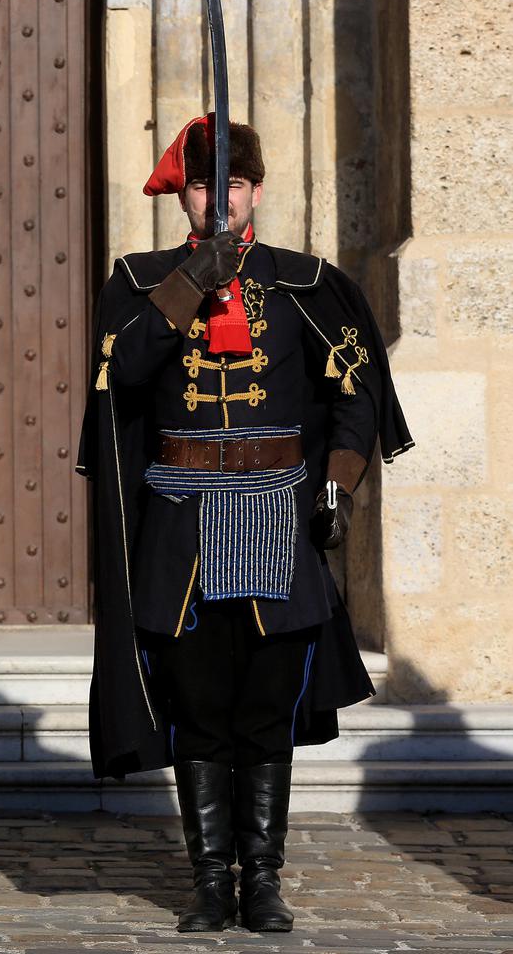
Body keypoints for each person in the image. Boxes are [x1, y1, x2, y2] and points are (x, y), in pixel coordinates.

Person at [78, 113, 413, 934]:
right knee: (196, 704)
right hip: (180, 519)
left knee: (263, 706)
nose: (216, 199)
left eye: (230, 184)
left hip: (274, 507)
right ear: (180, 196)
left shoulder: (306, 282)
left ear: (254, 189)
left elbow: (354, 391)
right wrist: (194, 282)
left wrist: (336, 480)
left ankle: (260, 879)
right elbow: (120, 368)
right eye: (201, 185)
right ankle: (204, 883)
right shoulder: (136, 281)